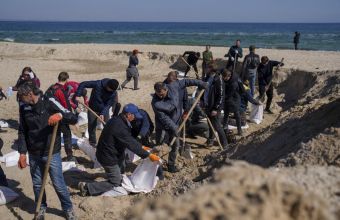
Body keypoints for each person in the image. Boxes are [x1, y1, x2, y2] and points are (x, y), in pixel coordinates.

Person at [17, 82, 78, 220]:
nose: (20, 100)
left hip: (52, 152)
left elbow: (73, 118)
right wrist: (22, 153)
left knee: (59, 184)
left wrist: (60, 116)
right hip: (33, 153)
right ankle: (41, 208)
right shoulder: (24, 107)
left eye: (21, 97)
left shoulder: (49, 102)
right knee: (38, 184)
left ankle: (68, 209)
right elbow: (22, 131)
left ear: (30, 94)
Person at [78, 104, 160, 196]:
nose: (135, 118)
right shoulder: (120, 127)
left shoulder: (117, 120)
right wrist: (147, 155)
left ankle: (118, 175)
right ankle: (87, 188)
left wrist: (141, 147)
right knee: (115, 182)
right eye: (134, 116)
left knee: (122, 165)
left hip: (112, 152)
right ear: (128, 114)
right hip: (108, 157)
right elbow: (130, 143)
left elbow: (129, 139)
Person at [152, 79, 207, 173]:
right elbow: (165, 119)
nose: (160, 96)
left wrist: (201, 83)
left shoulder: (173, 86)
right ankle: (157, 168)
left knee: (176, 145)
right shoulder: (156, 103)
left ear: (166, 89)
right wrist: (174, 128)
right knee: (159, 146)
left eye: (161, 94)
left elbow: (186, 82)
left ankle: (171, 165)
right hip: (163, 126)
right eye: (157, 94)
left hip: (176, 122)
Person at [75, 78, 120, 146]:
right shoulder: (98, 84)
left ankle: (108, 142)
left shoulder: (113, 93)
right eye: (110, 89)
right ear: (107, 86)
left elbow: (108, 105)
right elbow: (83, 84)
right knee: (92, 126)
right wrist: (78, 95)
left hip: (104, 111)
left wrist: (102, 113)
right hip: (92, 109)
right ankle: (92, 143)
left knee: (107, 126)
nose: (111, 91)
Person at [46, 72, 75, 162]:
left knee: (51, 135)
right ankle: (69, 155)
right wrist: (71, 118)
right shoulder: (60, 90)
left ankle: (48, 153)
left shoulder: (51, 87)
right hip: (59, 116)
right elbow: (65, 105)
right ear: (66, 80)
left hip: (49, 114)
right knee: (67, 135)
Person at [202, 63, 228, 148]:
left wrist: (215, 108)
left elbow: (221, 96)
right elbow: (204, 90)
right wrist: (202, 101)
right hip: (208, 105)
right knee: (210, 125)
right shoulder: (208, 77)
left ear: (210, 69)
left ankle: (224, 145)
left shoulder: (218, 79)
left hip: (214, 107)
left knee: (217, 126)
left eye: (206, 68)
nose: (205, 69)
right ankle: (210, 141)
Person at [222, 69, 243, 136]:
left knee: (237, 115)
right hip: (228, 100)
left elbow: (229, 94)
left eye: (224, 78)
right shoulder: (227, 80)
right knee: (226, 114)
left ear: (229, 76)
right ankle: (224, 127)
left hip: (235, 100)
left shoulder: (234, 83)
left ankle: (239, 130)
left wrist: (222, 97)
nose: (223, 79)